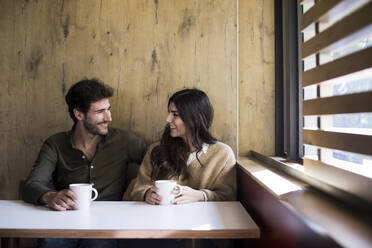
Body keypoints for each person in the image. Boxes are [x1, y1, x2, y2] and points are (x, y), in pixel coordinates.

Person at [22, 78, 147, 248]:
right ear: (79, 114)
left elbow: (157, 163)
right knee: (50, 242)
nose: (109, 118)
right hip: (64, 223)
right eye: (100, 111)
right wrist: (50, 196)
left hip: (105, 226)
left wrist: (137, 184)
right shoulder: (56, 144)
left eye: (108, 109)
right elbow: (32, 184)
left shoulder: (124, 141)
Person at [130, 88, 236, 205]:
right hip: (160, 219)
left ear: (194, 119)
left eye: (175, 115)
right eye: (169, 113)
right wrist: (146, 194)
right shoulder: (157, 149)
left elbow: (228, 197)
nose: (167, 119)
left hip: (201, 220)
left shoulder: (222, 154)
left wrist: (202, 196)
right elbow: (137, 189)